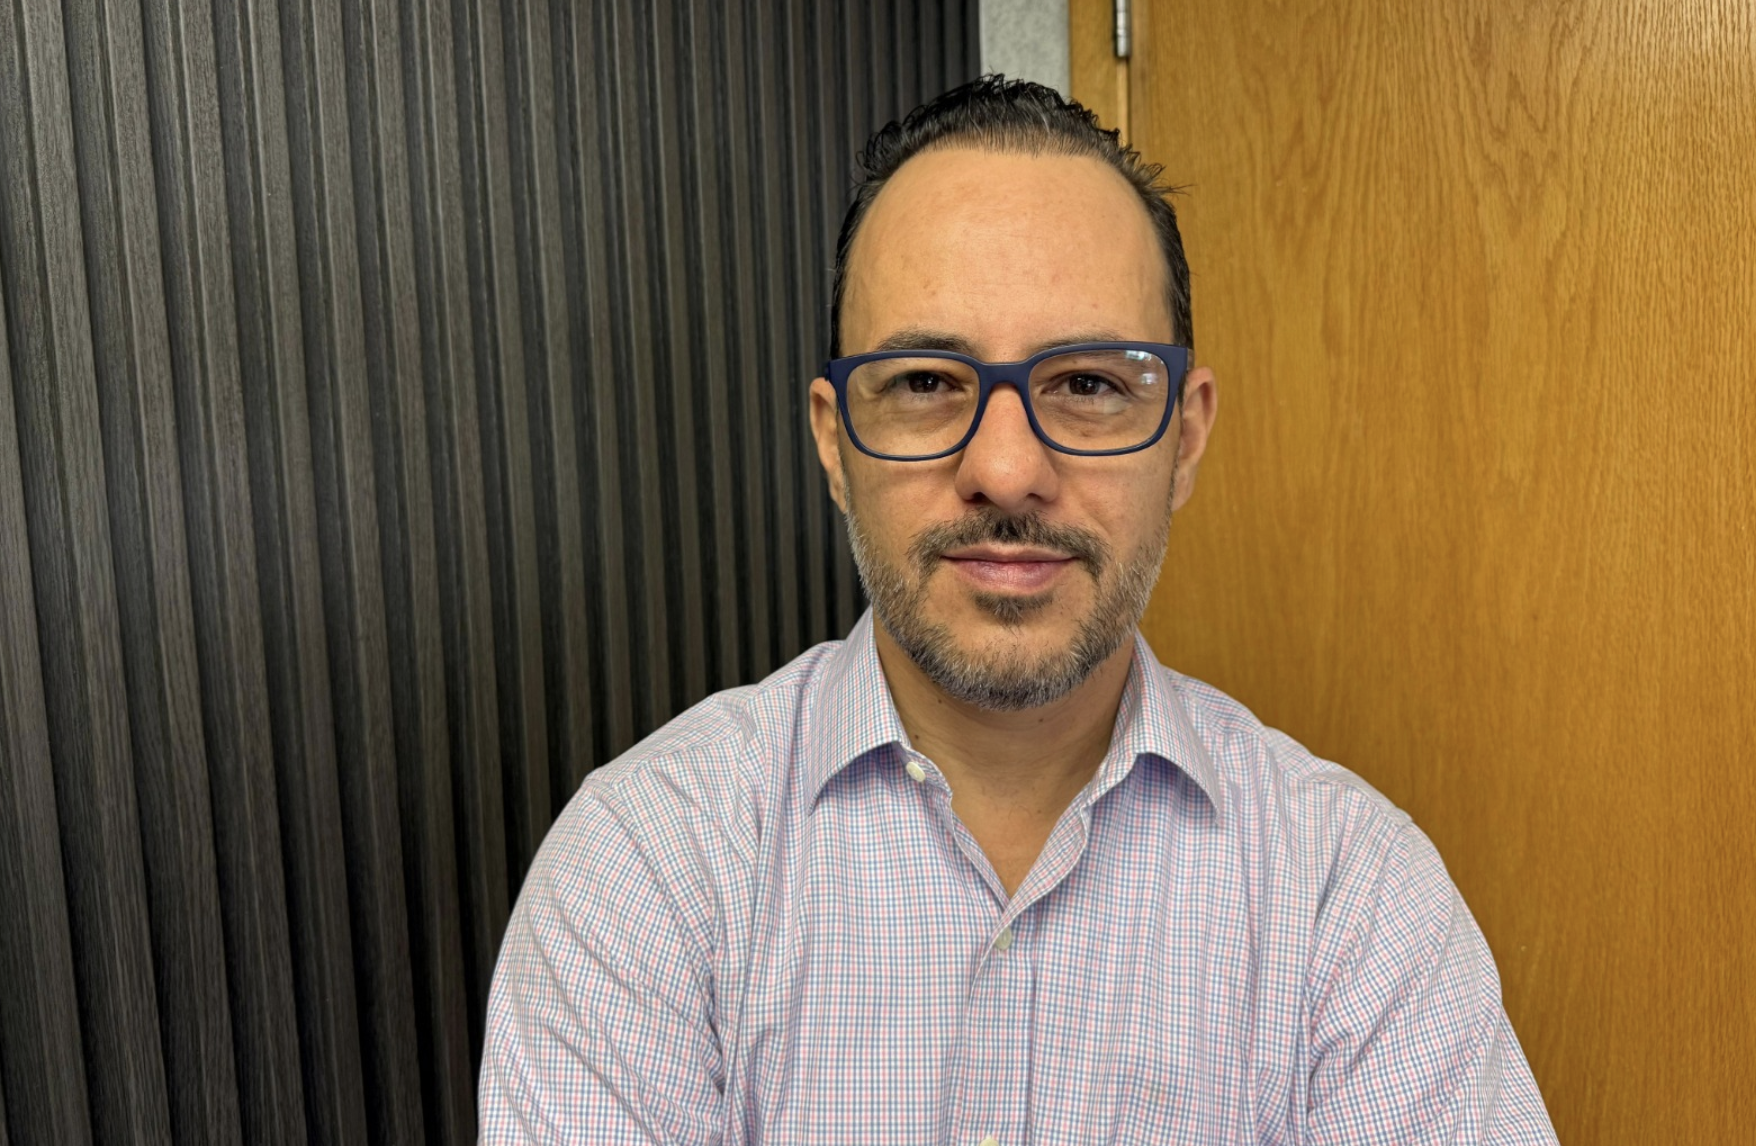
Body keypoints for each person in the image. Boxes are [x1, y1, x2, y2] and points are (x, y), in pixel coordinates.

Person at [478, 77, 1558, 1145]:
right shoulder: (646, 870)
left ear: (1184, 438)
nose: (1004, 470)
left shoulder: (1350, 895)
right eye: (924, 383)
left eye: (1088, 385)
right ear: (835, 442)